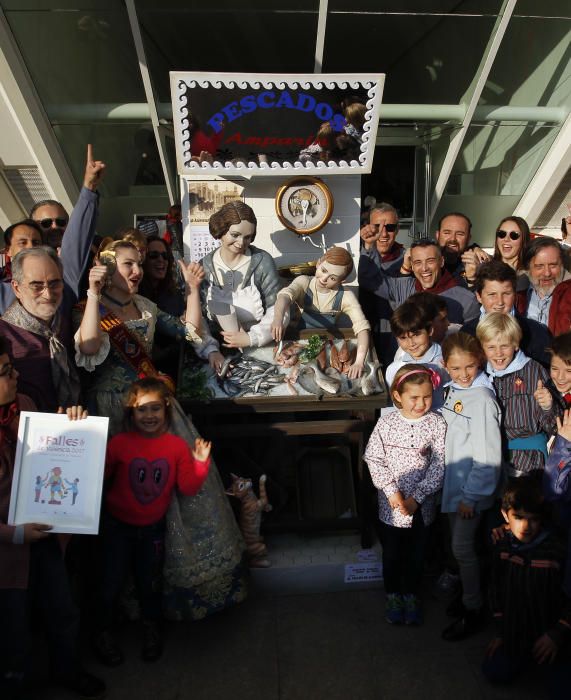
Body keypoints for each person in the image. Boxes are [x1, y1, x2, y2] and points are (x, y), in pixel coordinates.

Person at [74, 240, 246, 619]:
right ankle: (118, 601)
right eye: (127, 264)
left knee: (175, 491)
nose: (136, 271)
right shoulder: (93, 310)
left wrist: (194, 289)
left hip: (152, 406)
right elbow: (87, 347)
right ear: (106, 266)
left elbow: (189, 333)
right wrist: (91, 294)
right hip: (113, 414)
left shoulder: (148, 307)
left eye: (138, 264)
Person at [0, 335, 105, 700]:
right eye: (4, 372)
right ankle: (15, 680)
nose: (14, 376)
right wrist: (14, 534)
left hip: (42, 532)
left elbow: (45, 448)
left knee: (62, 607)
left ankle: (67, 669)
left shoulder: (23, 403)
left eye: (10, 367)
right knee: (12, 625)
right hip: (8, 551)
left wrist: (68, 425)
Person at [93, 378, 211, 666]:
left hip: (152, 530)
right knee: (111, 582)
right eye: (141, 410)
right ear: (131, 413)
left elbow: (187, 488)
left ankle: (151, 631)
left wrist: (199, 463)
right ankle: (102, 633)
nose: (148, 416)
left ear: (166, 409)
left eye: (154, 409)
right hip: (117, 528)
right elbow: (98, 478)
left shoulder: (176, 447)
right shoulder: (119, 445)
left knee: (150, 584)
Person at [364, 364, 446, 626]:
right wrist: (392, 492)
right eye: (414, 397)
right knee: (393, 554)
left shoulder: (436, 423)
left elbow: (439, 464)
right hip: (391, 508)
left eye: (426, 396)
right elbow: (374, 458)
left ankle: (411, 594)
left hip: (423, 507)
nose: (421, 403)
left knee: (417, 554)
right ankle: (393, 595)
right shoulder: (386, 423)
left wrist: (417, 498)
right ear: (397, 396)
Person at [439, 333, 502, 641]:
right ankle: (468, 598)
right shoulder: (451, 392)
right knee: (461, 550)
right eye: (456, 368)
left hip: (468, 495)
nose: (464, 374)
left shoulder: (484, 399)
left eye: (470, 367)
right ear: (444, 366)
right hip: (454, 489)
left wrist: (472, 497)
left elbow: (488, 456)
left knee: (463, 550)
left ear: (479, 362)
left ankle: (473, 610)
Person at [482, 477, 571, 691]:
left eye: (533, 519)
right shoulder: (501, 544)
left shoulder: (557, 550)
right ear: (505, 515)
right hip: (516, 634)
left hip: (551, 634)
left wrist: (557, 633)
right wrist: (502, 633)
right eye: (519, 517)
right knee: (494, 671)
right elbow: (496, 590)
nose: (526, 526)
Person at [1, 145, 104, 314]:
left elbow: (76, 238)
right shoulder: (3, 291)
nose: (48, 293)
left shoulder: (65, 276)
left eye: (35, 242)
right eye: (46, 223)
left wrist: (89, 187)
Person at [197, 201, 283, 371]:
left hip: (259, 350)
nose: (241, 242)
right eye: (235, 235)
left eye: (247, 237)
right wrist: (210, 349)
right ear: (221, 231)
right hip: (216, 355)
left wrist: (252, 338)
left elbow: (279, 307)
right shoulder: (205, 266)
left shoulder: (262, 262)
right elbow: (196, 316)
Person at [0, 246, 80, 412]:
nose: (48, 295)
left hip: (74, 427)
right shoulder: (4, 334)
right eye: (37, 286)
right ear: (16, 288)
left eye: (54, 284)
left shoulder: (68, 323)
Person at [476, 313, 557, 477]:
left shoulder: (534, 371)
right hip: (488, 458)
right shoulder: (479, 374)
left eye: (504, 346)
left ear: (515, 344)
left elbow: (554, 426)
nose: (498, 353)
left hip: (527, 460)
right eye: (491, 347)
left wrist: (548, 407)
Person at [271, 247, 371, 378]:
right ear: (318, 263)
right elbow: (284, 296)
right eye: (323, 270)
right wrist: (278, 318)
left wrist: (359, 362)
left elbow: (362, 327)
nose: (324, 279)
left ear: (342, 280)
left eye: (333, 278)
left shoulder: (346, 295)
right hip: (298, 339)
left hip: (328, 341)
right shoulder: (303, 282)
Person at [359, 238, 480, 327]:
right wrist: (369, 246)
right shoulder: (403, 287)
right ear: (411, 265)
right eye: (418, 262)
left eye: (430, 261)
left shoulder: (465, 299)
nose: (424, 268)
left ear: (442, 262)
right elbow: (368, 279)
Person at [461, 260, 552, 367]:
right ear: (479, 296)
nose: (500, 302)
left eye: (506, 294)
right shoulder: (466, 334)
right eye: (492, 294)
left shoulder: (535, 332)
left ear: (515, 294)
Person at [358, 202, 404, 366]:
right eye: (377, 227)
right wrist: (368, 246)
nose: (383, 234)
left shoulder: (410, 260)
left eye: (390, 227)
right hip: (364, 334)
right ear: (367, 227)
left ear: (397, 230)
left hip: (395, 337)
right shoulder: (357, 257)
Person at [385, 301, 449, 408]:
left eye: (416, 335)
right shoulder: (394, 369)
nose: (411, 343)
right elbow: (395, 407)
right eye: (403, 338)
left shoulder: (447, 362)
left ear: (430, 330)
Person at [523, 236, 571, 335]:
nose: (547, 273)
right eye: (539, 266)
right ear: (528, 268)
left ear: (562, 265)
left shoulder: (568, 296)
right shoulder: (516, 294)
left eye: (553, 265)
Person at [433, 212, 491, 284]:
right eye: (447, 233)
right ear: (437, 235)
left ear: (468, 238)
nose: (453, 239)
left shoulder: (477, 264)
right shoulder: (424, 259)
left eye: (460, 234)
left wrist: (472, 279)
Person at [492, 216, 531, 287]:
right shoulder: (485, 266)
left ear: (524, 240)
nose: (506, 239)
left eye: (514, 235)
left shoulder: (531, 275)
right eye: (502, 234)